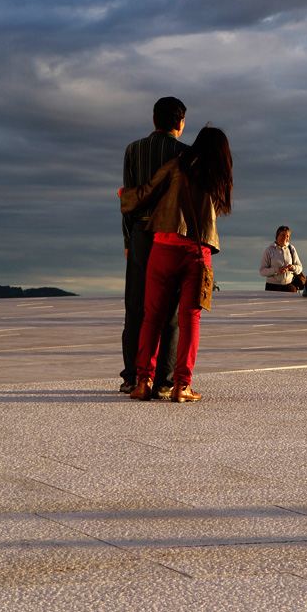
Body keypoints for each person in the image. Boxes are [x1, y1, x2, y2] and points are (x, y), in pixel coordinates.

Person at [119, 126, 233, 402]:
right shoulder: (219, 178)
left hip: (164, 247)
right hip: (197, 252)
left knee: (152, 317)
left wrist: (125, 195)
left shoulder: (177, 165)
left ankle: (143, 382)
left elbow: (148, 191)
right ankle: (182, 386)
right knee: (190, 320)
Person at [119, 97, 188, 398]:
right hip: (172, 235)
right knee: (169, 309)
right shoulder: (185, 154)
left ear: (153, 120)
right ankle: (164, 379)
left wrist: (128, 241)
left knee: (136, 306)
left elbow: (128, 198)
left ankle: (132, 377)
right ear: (181, 123)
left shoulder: (133, 150)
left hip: (140, 233)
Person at [260, 226, 305, 292]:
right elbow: (262, 271)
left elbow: (300, 268)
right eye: (283, 235)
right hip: (272, 287)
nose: (285, 238)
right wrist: (277, 270)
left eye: (287, 236)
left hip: (289, 286)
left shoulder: (291, 249)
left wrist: (293, 267)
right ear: (277, 236)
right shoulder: (269, 250)